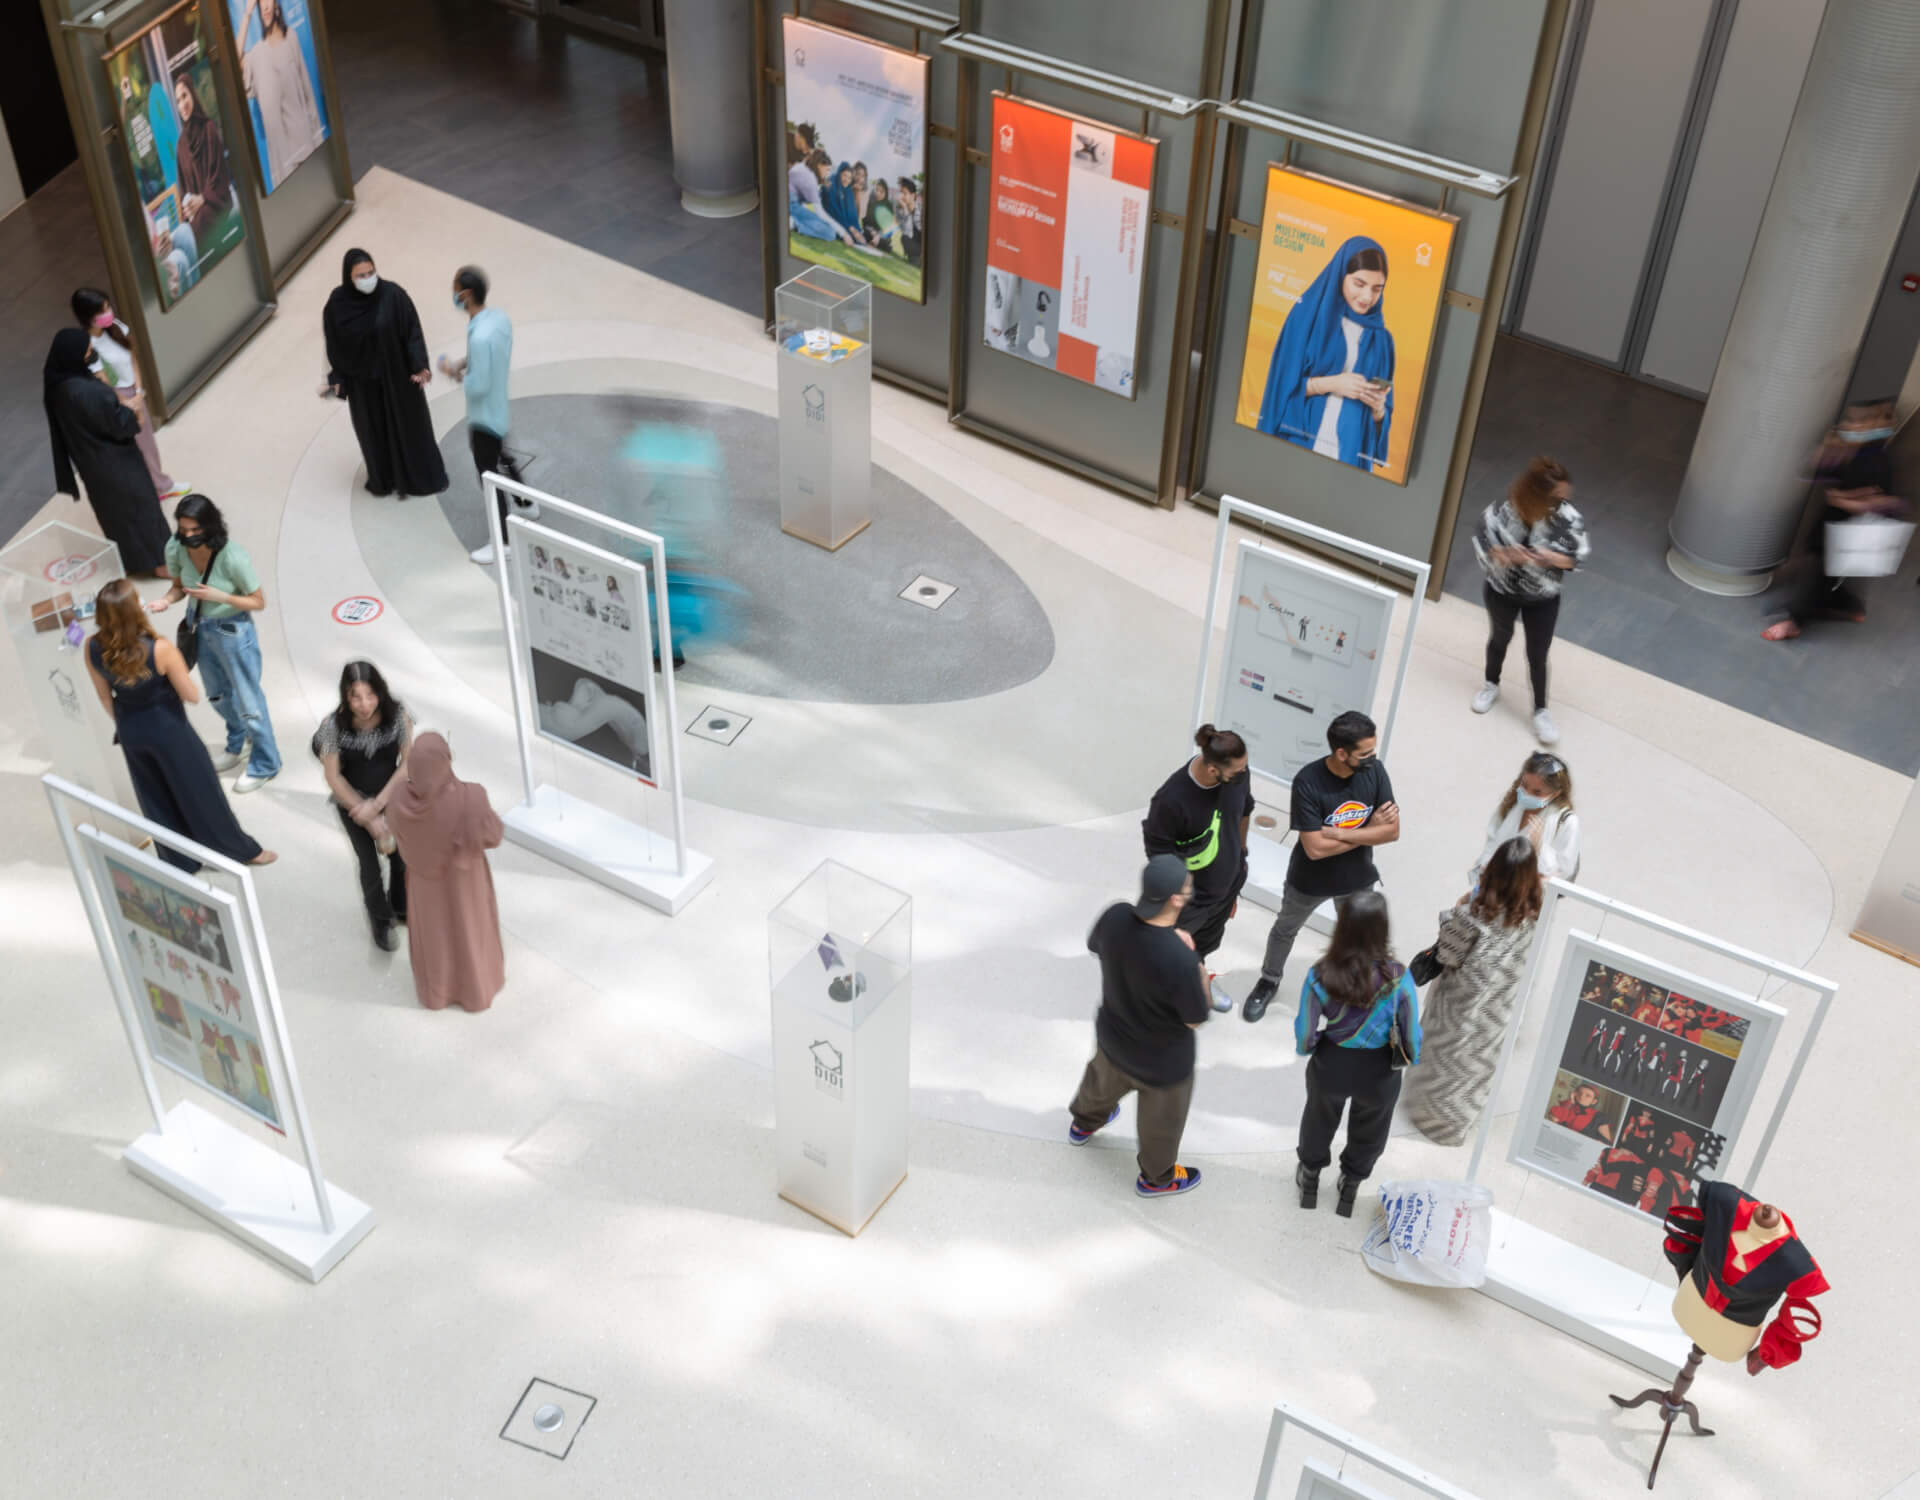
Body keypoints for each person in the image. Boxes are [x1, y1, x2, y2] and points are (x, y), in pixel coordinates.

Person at [83, 579, 275, 873]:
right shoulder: (159, 649)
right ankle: (238, 850)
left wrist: (127, 722)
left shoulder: (92, 647)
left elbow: (103, 696)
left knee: (155, 797)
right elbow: (192, 695)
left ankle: (179, 860)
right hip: (169, 731)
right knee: (201, 790)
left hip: (130, 730)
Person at [1065, 855, 1210, 1198]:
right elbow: (1194, 1018)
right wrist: (1198, 970)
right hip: (1161, 1066)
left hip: (1114, 1039)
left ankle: (1083, 1125)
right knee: (1161, 1125)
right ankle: (1157, 1178)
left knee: (1098, 1085)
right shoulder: (1181, 959)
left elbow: (1095, 946)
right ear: (1176, 898)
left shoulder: (1115, 917)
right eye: (1186, 884)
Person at [1243, 711, 1399, 1022]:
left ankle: (1349, 990)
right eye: (1364, 753)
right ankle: (1269, 981)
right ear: (1341, 753)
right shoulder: (1308, 782)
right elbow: (1314, 849)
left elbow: (1392, 832)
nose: (1372, 758)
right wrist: (1368, 829)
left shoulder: (1376, 772)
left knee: (1356, 939)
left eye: (1373, 751)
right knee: (1285, 929)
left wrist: (1340, 832)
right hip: (1309, 880)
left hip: (1357, 878)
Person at [1405, 837, 1542, 1147]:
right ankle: (1456, 1125)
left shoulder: (1475, 913)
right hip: (1497, 1008)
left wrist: (1455, 909)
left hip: (1459, 1004)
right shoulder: (1532, 916)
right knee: (1472, 1068)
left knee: (1444, 1057)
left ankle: (1431, 1119)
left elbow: (1448, 955)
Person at [1293, 890, 1420, 1216]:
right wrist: (1410, 1058)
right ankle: (1349, 1186)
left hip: (1332, 1062)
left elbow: (1305, 1030)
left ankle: (1309, 1177)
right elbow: (1412, 1035)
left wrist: (1309, 1047)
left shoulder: (1320, 974)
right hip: (1378, 1070)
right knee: (1371, 1129)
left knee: (1318, 1119)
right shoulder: (1398, 978)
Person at [146, 494, 282, 792]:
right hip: (200, 627)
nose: (190, 536)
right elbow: (179, 587)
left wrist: (221, 597)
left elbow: (258, 601)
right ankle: (238, 741)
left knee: (249, 700)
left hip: (233, 630)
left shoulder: (232, 557)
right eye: (184, 530)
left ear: (210, 525)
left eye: (196, 530)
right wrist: (166, 601)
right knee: (217, 694)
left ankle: (266, 762)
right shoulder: (177, 547)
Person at [1470, 456, 1589, 746]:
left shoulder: (1568, 517)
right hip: (1502, 590)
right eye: (1556, 497)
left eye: (1564, 496)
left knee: (1538, 653)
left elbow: (1578, 556)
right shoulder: (1502, 510)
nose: (1562, 502)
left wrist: (1551, 558)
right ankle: (1491, 684)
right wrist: (1508, 556)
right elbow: (1483, 544)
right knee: (1500, 638)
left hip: (1543, 596)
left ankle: (1541, 711)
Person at [383, 732, 505, 1012]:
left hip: (424, 886)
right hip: (465, 884)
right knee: (469, 930)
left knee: (435, 937)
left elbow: (397, 834)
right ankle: (475, 990)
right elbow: (493, 835)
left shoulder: (399, 799)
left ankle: (437, 993)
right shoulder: (472, 798)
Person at [1764, 400, 1902, 641]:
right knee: (1830, 570)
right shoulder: (1851, 449)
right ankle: (1849, 606)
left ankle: (1794, 622)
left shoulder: (1877, 461)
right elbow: (1817, 473)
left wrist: (1843, 500)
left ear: (1880, 425)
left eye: (1860, 422)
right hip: (1832, 521)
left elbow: (1878, 502)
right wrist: (1829, 449)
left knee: (1820, 574)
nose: (1851, 426)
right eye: (1850, 420)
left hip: (1851, 527)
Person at [1255, 237, 1394, 472]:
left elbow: (1382, 420)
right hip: (1300, 442)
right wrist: (1331, 384)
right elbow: (1280, 389)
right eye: (1359, 284)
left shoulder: (1382, 340)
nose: (1367, 297)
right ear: (1341, 275)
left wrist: (1379, 409)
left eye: (1376, 289)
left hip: (1349, 456)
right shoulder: (1306, 318)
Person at [43, 328, 171, 579]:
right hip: (117, 461)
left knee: (114, 515)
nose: (91, 355)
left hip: (91, 463)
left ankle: (132, 562)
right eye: (88, 351)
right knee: (142, 508)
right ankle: (160, 563)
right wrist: (134, 408)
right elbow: (123, 425)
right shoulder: (88, 392)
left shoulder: (57, 388)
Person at [1142, 724, 1253, 1011]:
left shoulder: (1237, 775)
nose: (1243, 774)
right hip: (1191, 898)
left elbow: (1245, 810)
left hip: (1226, 888)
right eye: (1237, 771)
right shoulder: (1171, 801)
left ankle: (1196, 974)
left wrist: (1240, 854)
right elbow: (1159, 856)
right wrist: (1178, 900)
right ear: (1214, 770)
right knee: (1172, 948)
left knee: (1204, 942)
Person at [322, 249, 449, 498]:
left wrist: (419, 366)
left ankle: (417, 478)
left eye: (371, 272)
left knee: (410, 428)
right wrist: (337, 377)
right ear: (349, 278)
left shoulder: (393, 296)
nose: (368, 279)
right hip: (363, 385)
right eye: (361, 275)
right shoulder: (337, 304)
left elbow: (412, 330)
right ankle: (385, 478)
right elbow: (334, 343)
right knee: (373, 432)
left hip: (397, 379)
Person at [438, 265, 534, 566]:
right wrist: (465, 363)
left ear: (465, 294)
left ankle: (502, 541)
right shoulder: (498, 320)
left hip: (482, 417)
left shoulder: (479, 336)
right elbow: (488, 355)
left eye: (455, 289)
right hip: (499, 407)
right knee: (504, 456)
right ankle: (526, 503)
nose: (453, 294)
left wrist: (453, 375)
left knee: (488, 476)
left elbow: (477, 387)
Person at [316, 661, 413, 951]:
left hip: (392, 795)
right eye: (355, 696)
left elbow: (408, 764)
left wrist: (380, 805)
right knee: (369, 865)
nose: (364, 704)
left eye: (370, 695)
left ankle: (401, 905)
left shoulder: (398, 717)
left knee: (401, 858)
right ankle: (380, 921)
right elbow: (333, 776)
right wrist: (367, 814)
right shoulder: (333, 726)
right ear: (345, 696)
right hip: (351, 802)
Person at [72, 287, 181, 499]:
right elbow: (103, 381)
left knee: (146, 443)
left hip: (134, 392)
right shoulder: (87, 345)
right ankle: (158, 487)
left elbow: (133, 359)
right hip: (118, 398)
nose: (108, 313)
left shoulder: (117, 328)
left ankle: (157, 484)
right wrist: (128, 401)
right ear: (88, 316)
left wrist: (139, 392)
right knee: (137, 446)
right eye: (102, 310)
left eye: (108, 307)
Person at [235, 0, 325, 187]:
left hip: (304, 143)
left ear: (277, 5)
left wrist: (318, 140)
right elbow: (234, 60)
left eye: (269, 1)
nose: (265, 6)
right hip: (282, 158)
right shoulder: (256, 55)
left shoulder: (290, 38)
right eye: (261, 3)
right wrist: (247, 14)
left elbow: (307, 89)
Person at [1471, 751, 1579, 889]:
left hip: (1526, 904)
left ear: (1556, 793)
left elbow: (1562, 873)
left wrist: (1539, 849)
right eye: (1524, 785)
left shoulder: (1567, 823)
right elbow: (1492, 841)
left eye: (1537, 792)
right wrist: (1484, 870)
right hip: (1488, 892)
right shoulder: (1512, 804)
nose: (1526, 794)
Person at [171, 73, 233, 242]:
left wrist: (203, 198)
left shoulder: (209, 129)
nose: (182, 104)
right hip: (196, 213)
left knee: (201, 222)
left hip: (215, 203)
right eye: (178, 100)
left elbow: (219, 178)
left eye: (185, 96)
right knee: (184, 232)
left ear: (193, 94)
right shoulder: (181, 146)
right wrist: (188, 209)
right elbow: (183, 190)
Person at [788, 149, 859, 246]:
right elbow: (820, 213)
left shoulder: (804, 169)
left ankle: (794, 222)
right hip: (791, 205)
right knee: (830, 233)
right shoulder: (810, 178)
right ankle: (793, 223)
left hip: (791, 204)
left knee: (817, 222)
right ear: (819, 166)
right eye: (827, 169)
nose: (828, 173)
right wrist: (844, 233)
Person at [893, 178, 924, 266]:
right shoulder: (900, 210)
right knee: (904, 238)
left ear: (913, 196)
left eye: (904, 193)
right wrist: (905, 210)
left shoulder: (922, 211)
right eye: (900, 192)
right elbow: (908, 233)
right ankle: (917, 261)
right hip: (913, 248)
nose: (901, 196)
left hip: (925, 249)